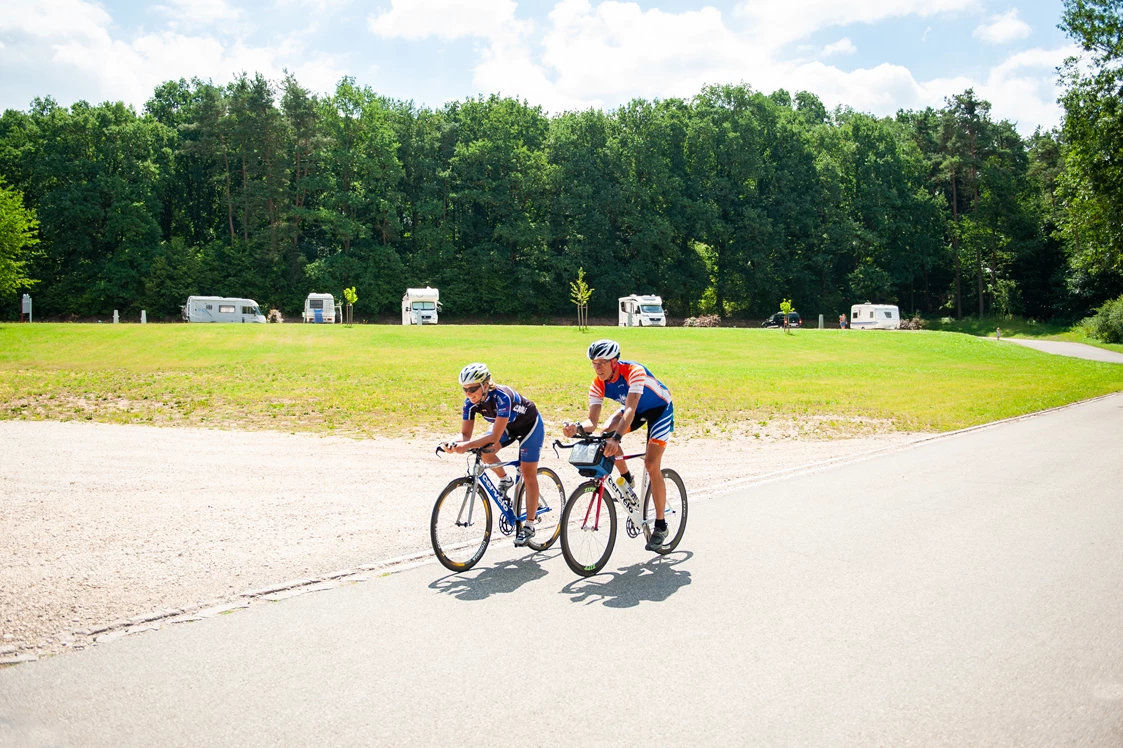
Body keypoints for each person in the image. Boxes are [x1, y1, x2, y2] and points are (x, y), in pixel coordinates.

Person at [561, 339, 674, 551]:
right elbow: (591, 423)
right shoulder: (598, 383)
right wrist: (575, 428)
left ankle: (661, 525)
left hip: (659, 410)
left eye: (602, 363)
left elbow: (630, 410)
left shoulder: (634, 371)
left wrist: (617, 438)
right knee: (604, 433)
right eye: (594, 363)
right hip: (635, 411)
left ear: (614, 362)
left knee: (651, 464)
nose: (597, 368)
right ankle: (627, 479)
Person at [443, 363, 545, 547]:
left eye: (472, 389)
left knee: (528, 472)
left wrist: (466, 446)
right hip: (507, 426)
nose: (468, 394)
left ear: (485, 384)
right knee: (485, 451)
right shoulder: (470, 404)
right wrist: (453, 443)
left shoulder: (502, 398)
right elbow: (465, 434)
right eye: (464, 389)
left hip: (530, 426)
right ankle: (505, 480)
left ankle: (529, 526)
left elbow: (494, 436)